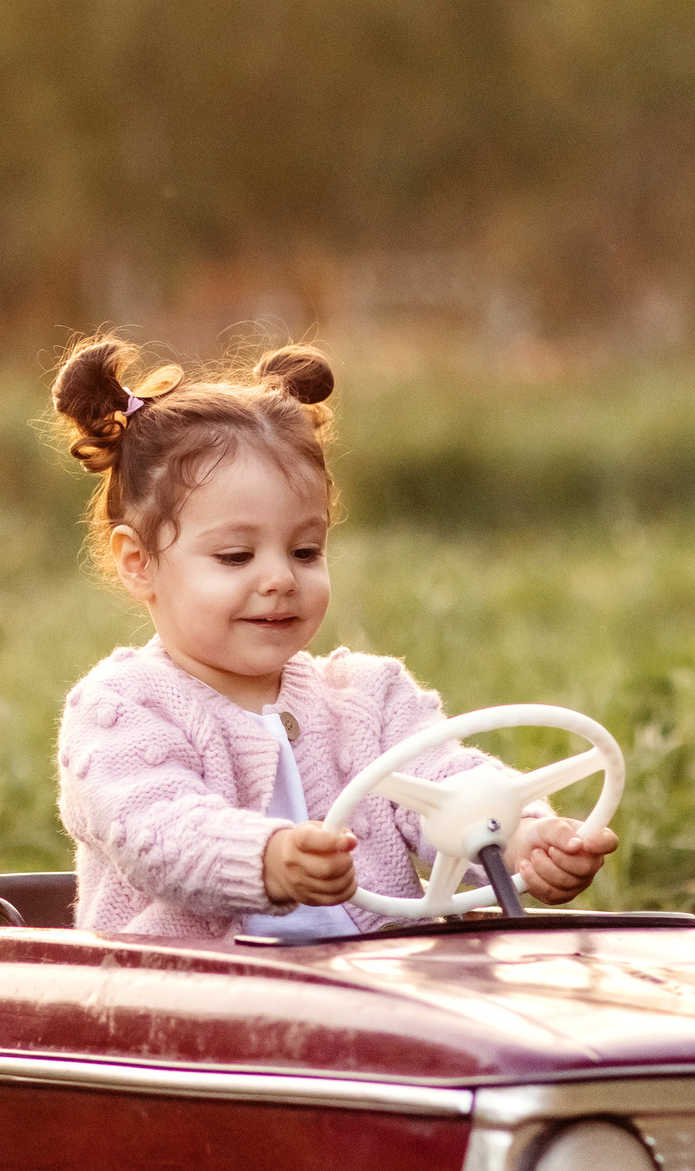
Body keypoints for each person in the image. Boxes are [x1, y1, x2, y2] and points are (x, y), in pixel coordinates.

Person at [50, 337, 618, 940]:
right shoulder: (120, 709)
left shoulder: (368, 696)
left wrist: (522, 831)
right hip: (185, 1002)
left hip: (368, 988)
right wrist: (267, 857)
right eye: (236, 556)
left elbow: (448, 777)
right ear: (139, 561)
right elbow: (155, 829)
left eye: (305, 550)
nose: (279, 579)